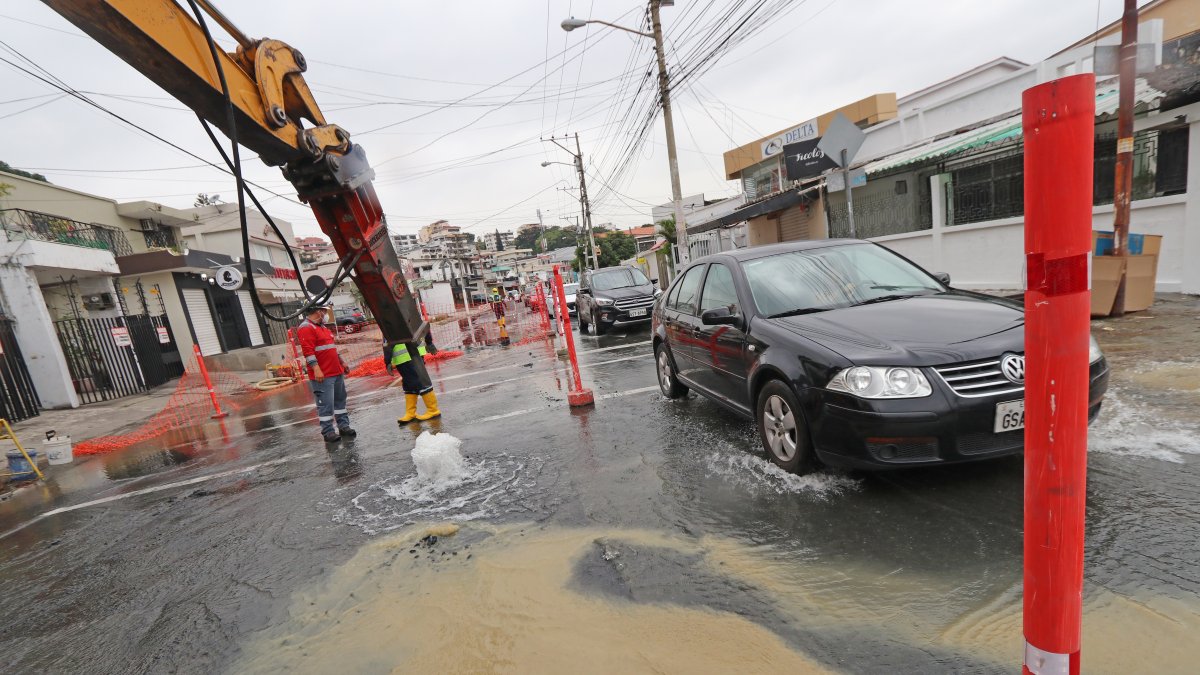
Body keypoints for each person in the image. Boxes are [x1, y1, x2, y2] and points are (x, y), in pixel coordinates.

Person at [297, 305, 355, 443]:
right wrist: (316, 369)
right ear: (318, 311)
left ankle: (343, 426)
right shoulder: (306, 328)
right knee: (326, 404)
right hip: (323, 375)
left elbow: (332, 348)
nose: (326, 314)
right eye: (324, 311)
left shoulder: (323, 327)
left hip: (336, 371)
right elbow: (308, 352)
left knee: (340, 401)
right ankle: (328, 432)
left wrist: (342, 363)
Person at [385, 332, 441, 424]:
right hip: (411, 353)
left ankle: (433, 410)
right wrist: (429, 342)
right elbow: (422, 327)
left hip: (406, 356)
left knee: (420, 381)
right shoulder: (405, 317)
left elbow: (386, 342)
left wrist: (387, 361)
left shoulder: (388, 319)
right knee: (409, 384)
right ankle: (410, 413)